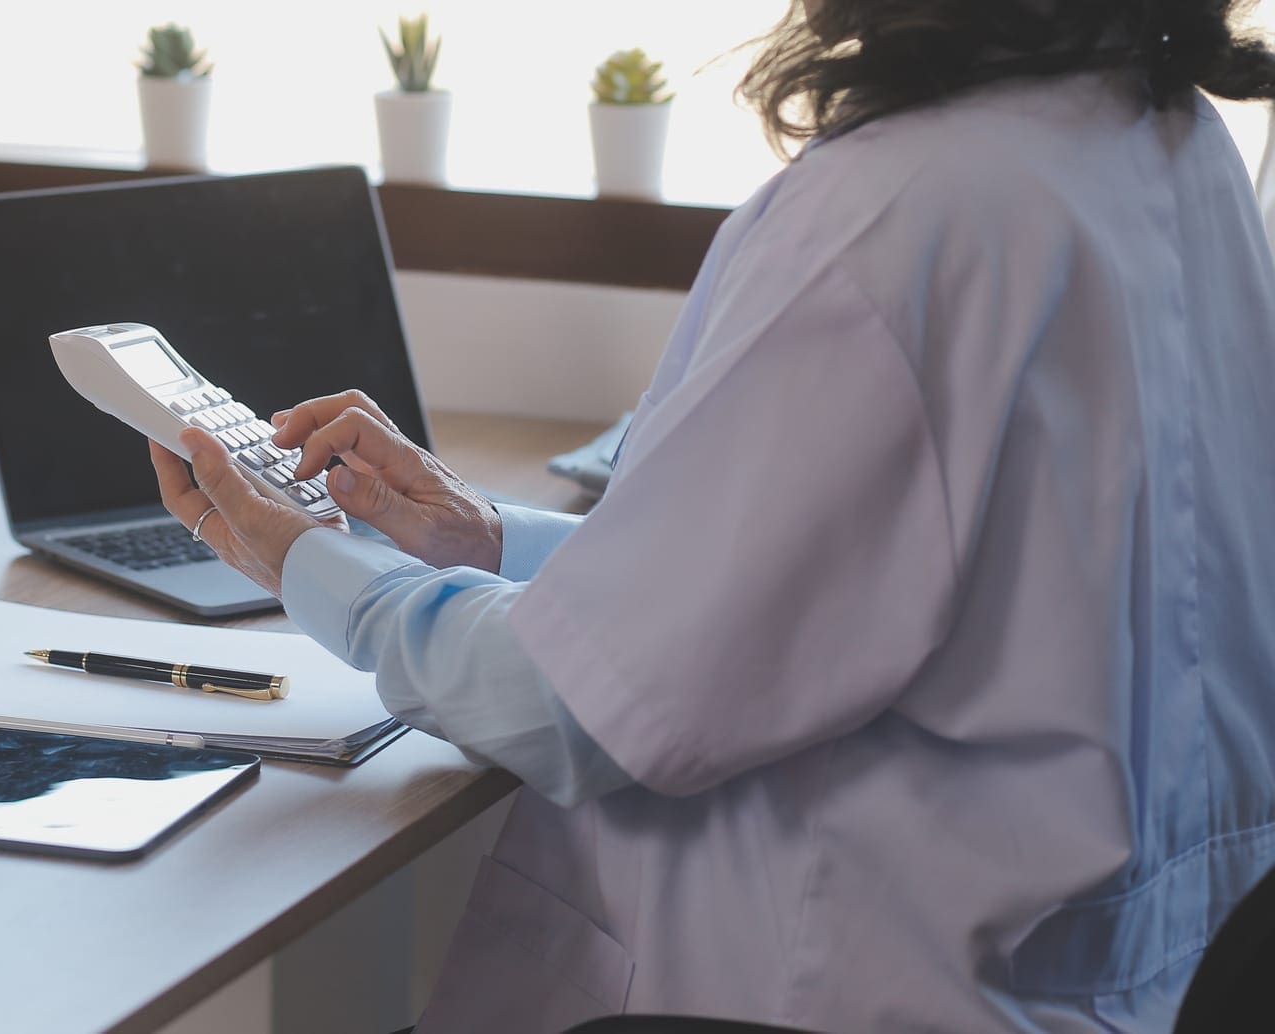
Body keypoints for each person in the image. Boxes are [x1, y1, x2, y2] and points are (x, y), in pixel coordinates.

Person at [149, 1, 1275, 1030]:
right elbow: (860, 577)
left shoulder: (894, 213)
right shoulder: (1167, 140)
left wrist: (309, 561)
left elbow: (574, 708)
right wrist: (487, 537)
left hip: (850, 992)